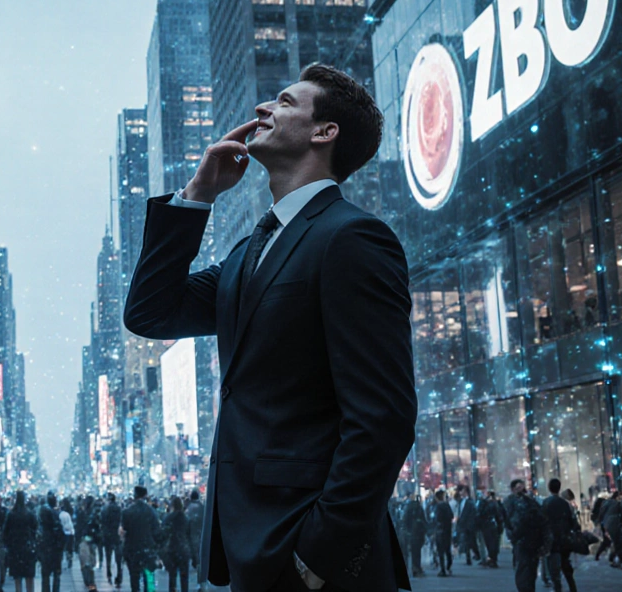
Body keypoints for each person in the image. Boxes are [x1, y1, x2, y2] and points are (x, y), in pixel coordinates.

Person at [123, 63, 415, 591]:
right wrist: (198, 194)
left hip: (309, 558)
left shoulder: (352, 238)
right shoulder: (247, 253)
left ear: (325, 132)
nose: (263, 109)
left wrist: (314, 557)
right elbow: (150, 313)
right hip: (250, 548)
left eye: (283, 101)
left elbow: (383, 417)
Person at [504, 479, 548, 592]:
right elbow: (508, 521)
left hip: (531, 542)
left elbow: (542, 521)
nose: (521, 491)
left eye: (522, 488)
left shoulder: (531, 502)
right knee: (523, 571)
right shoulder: (511, 502)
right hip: (522, 542)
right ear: (513, 490)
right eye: (518, 489)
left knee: (529, 572)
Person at [120, 487, 162, 592]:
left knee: (134, 578)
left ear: (135, 496)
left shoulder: (127, 512)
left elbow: (124, 531)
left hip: (132, 550)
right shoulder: (151, 511)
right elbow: (157, 532)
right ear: (145, 495)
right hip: (147, 549)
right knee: (149, 577)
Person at [543, 479, 579, 592]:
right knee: (565, 564)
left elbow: (542, 521)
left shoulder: (546, 503)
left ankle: (557, 587)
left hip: (551, 539)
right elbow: (573, 522)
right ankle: (572, 587)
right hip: (564, 538)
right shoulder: (565, 504)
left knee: (553, 568)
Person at [3, 491, 37, 592]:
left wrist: (8, 544)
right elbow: (35, 528)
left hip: (15, 549)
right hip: (28, 548)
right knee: (29, 576)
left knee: (17, 577)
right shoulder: (29, 514)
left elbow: (6, 531)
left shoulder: (11, 514)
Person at [36, 493, 66, 592]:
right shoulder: (56, 518)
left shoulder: (42, 526)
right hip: (54, 550)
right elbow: (61, 536)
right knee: (56, 574)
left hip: (46, 550)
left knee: (45, 574)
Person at [162, 496, 191, 592]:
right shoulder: (186, 518)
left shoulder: (168, 518)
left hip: (172, 549)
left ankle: (173, 589)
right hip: (183, 549)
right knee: (184, 577)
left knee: (172, 576)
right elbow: (189, 535)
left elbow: (163, 534)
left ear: (172, 506)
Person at [399, 493, 426, 577]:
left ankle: (414, 568)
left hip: (411, 533)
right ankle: (416, 568)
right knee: (416, 552)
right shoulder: (419, 508)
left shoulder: (408, 508)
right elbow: (424, 521)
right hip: (418, 533)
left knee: (409, 552)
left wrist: (407, 531)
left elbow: (404, 520)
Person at [99, 494, 122, 587]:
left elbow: (102, 521)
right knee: (118, 558)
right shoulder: (119, 509)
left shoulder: (104, 509)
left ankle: (109, 573)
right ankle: (119, 576)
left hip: (107, 535)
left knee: (108, 555)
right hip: (117, 534)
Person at [477, 490, 503, 568]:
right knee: (494, 543)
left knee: (490, 543)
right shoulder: (496, 504)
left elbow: (480, 513)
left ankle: (492, 558)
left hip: (487, 525)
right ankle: (493, 559)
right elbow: (500, 515)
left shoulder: (485, 504)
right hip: (494, 525)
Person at [430, 490, 453, 577]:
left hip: (440, 531)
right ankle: (449, 565)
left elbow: (436, 519)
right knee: (447, 550)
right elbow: (451, 515)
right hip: (447, 530)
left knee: (440, 551)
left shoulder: (438, 507)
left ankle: (443, 569)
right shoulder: (447, 505)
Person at [456, 487, 479, 566]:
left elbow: (473, 514)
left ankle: (476, 554)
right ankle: (468, 557)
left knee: (471, 541)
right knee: (466, 541)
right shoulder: (460, 501)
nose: (460, 492)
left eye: (461, 490)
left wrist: (471, 524)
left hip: (468, 525)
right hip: (462, 525)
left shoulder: (470, 502)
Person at [59, 498, 75, 570]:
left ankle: (62, 560)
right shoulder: (69, 512)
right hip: (70, 532)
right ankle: (69, 560)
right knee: (69, 548)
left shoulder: (60, 514)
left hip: (63, 533)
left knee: (63, 547)